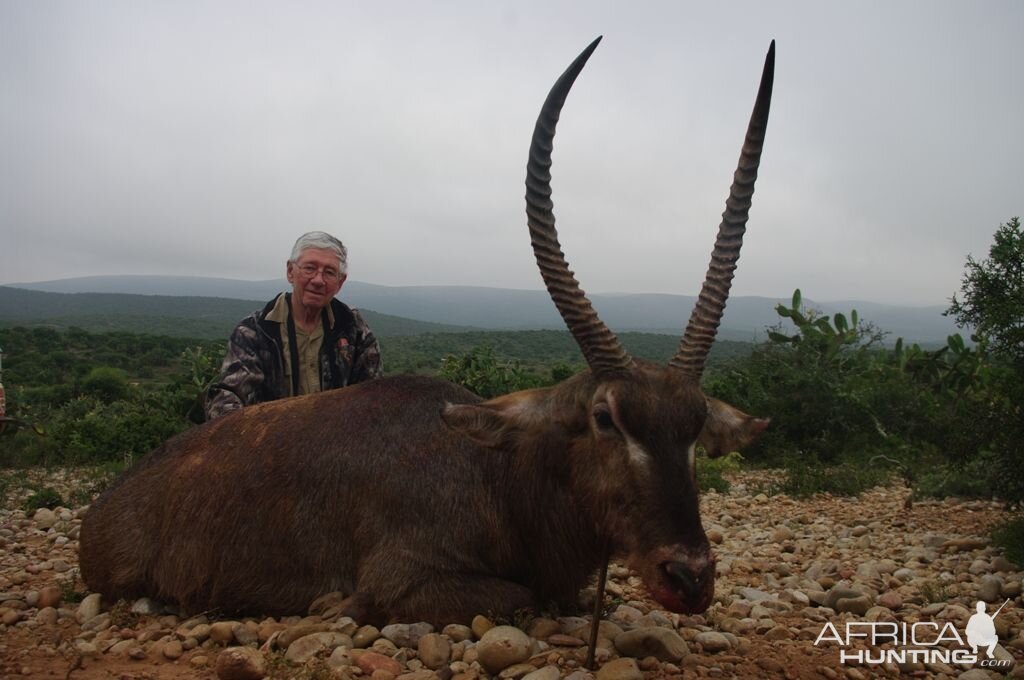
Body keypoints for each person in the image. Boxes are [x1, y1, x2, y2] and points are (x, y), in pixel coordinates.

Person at [205, 231, 382, 420]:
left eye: (329, 272)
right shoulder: (254, 331)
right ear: (291, 271)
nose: (318, 280)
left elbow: (374, 393)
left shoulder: (353, 327)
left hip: (338, 442)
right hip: (271, 441)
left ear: (340, 282)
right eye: (309, 268)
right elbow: (228, 396)